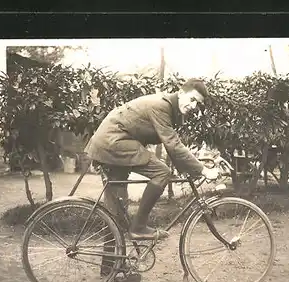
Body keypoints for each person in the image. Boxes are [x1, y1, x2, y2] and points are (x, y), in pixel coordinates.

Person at [84, 78, 219, 244]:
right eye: (192, 100)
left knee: (116, 213)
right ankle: (139, 227)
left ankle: (111, 268)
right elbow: (173, 144)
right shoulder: (161, 106)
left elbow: (171, 146)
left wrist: (189, 168)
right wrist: (203, 169)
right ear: (181, 92)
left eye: (197, 104)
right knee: (162, 172)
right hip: (113, 144)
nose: (193, 106)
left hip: (112, 145)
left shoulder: (170, 107)